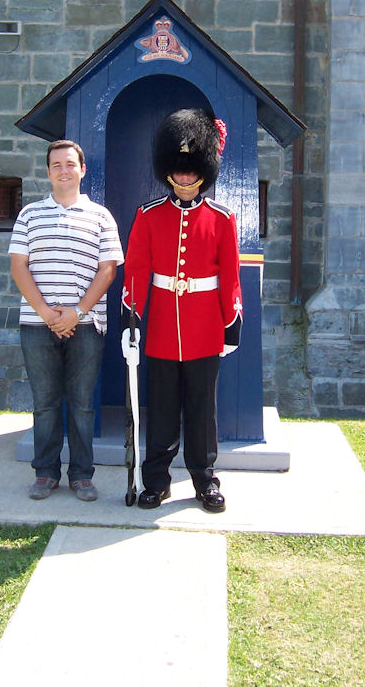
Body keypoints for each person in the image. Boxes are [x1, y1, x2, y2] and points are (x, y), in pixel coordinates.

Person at [121, 109, 242, 513]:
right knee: (162, 410)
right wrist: (131, 315)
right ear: (170, 170)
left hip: (206, 328)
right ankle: (156, 480)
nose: (186, 176)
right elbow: (136, 270)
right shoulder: (148, 215)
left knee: (202, 410)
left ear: (204, 170)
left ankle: (205, 480)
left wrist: (231, 321)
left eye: (193, 170)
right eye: (181, 169)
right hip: (159, 333)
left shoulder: (223, 219)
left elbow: (229, 276)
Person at [9, 140, 123, 501]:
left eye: (70, 164)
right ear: (47, 172)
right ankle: (45, 473)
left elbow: (107, 270)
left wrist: (76, 312)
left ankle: (81, 475)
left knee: (81, 404)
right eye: (56, 165)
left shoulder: (101, 216)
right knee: (44, 402)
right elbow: (18, 267)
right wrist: (46, 313)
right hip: (36, 324)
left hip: (87, 326)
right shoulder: (28, 215)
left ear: (82, 169)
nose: (63, 170)